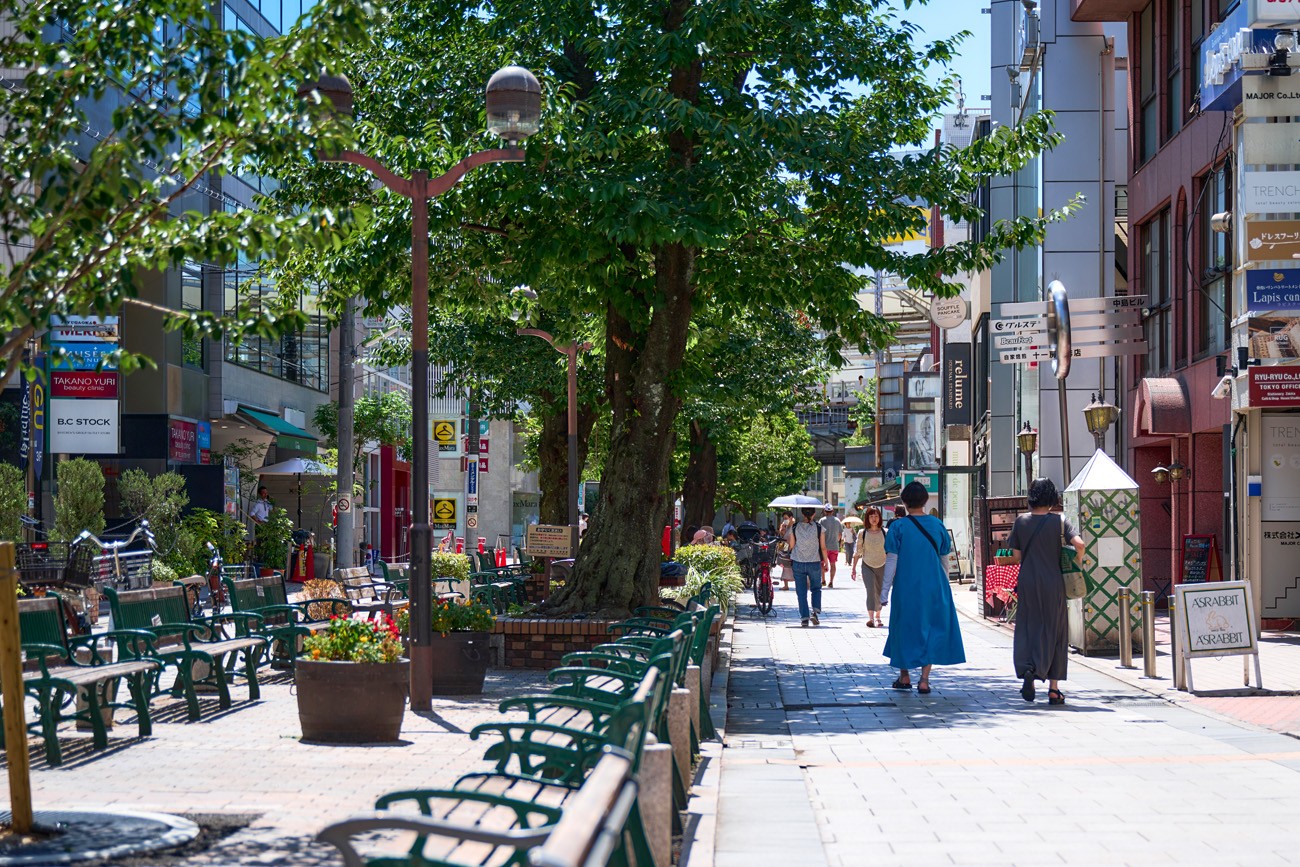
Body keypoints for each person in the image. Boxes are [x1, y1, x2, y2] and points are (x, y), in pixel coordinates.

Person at [1006, 478, 1086, 706]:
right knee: (1056, 630)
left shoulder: (1020, 522)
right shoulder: (1060, 521)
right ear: (1052, 496)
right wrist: (1076, 562)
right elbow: (1079, 544)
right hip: (1053, 582)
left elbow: (1017, 557)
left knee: (1028, 626)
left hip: (1028, 581)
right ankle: (1053, 689)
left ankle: (1029, 667)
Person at [881, 482, 965, 694]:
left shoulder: (898, 527)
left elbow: (892, 560)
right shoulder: (937, 525)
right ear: (925, 501)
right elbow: (944, 559)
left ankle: (904, 675)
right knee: (931, 629)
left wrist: (884, 591)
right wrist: (945, 585)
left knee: (903, 628)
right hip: (934, 586)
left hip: (906, 587)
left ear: (905, 502)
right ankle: (925, 679)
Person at [783, 507, 828, 627]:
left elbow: (792, 545)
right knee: (816, 588)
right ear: (814, 514)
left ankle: (804, 618)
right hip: (814, 562)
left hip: (798, 562)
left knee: (801, 592)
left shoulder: (795, 527)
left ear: (802, 514)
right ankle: (815, 611)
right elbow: (823, 547)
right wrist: (826, 562)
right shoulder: (819, 528)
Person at [851, 507, 887, 628]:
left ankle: (878, 616)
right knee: (870, 591)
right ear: (867, 518)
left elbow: (890, 551)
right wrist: (853, 568)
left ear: (880, 518)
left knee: (880, 592)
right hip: (867, 565)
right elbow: (858, 551)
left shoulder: (885, 532)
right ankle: (871, 618)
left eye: (876, 516)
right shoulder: (863, 533)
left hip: (882, 565)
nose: (874, 519)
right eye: (871, 516)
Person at [819, 504, 843, 588]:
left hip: (823, 547)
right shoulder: (837, 520)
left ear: (825, 511)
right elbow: (840, 534)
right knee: (833, 564)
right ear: (832, 511)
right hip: (834, 546)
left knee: (822, 564)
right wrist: (836, 541)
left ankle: (823, 580)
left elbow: (819, 533)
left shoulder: (822, 520)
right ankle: (831, 581)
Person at [776, 511, 795, 590]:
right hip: (786, 547)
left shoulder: (794, 526)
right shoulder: (786, 526)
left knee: (793, 567)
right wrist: (781, 530)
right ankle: (786, 585)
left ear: (791, 518)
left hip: (792, 548)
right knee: (785, 566)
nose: (785, 520)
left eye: (786, 518)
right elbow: (783, 537)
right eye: (784, 518)